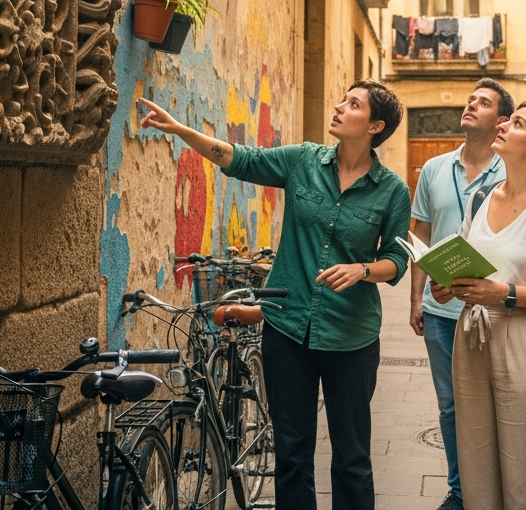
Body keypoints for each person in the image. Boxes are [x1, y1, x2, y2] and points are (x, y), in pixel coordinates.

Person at [137, 80, 412, 510]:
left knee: (352, 456)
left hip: (351, 335)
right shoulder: (303, 160)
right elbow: (241, 159)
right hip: (286, 329)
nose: (338, 107)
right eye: (342, 98)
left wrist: (362, 270)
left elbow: (397, 258)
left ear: (375, 125)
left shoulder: (392, 190)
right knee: (291, 452)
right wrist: (182, 131)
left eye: (352, 104)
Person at [430, 103, 526, 510]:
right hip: (472, 337)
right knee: (477, 464)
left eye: (517, 123)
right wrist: (446, 285)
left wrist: (505, 293)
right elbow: (465, 259)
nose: (503, 124)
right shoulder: (481, 196)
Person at [409, 78, 514, 510]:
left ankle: (499, 489)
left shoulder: (511, 169)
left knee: (497, 402)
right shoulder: (433, 168)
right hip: (438, 311)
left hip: (491, 310)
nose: (471, 105)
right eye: (471, 99)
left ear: (501, 121)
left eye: (483, 102)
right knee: (451, 407)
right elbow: (421, 234)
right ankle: (459, 490)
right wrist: (416, 299)